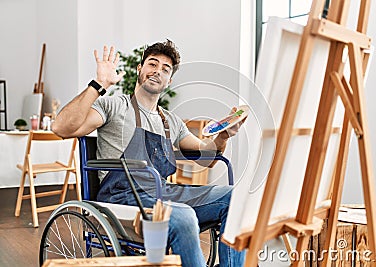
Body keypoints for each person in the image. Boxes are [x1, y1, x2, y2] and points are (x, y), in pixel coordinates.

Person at [52, 40, 245, 267]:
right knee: (182, 216)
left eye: (165, 69)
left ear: (169, 80)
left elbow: (207, 157)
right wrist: (98, 84)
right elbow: (61, 128)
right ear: (139, 69)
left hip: (164, 193)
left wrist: (223, 136)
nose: (158, 71)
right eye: (152, 64)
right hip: (123, 197)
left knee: (237, 198)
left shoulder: (170, 121)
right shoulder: (113, 105)